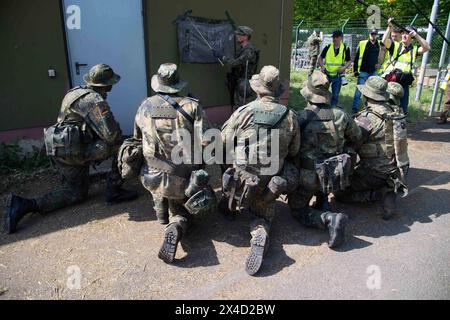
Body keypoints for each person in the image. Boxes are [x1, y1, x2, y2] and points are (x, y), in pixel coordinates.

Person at [3, 64, 138, 234]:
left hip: (61, 148)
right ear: (106, 85)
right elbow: (112, 135)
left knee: (76, 193)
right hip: (74, 151)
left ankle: (25, 205)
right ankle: (115, 191)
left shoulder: (75, 92)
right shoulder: (94, 101)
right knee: (122, 145)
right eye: (110, 84)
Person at [221, 65, 300, 275]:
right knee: (262, 215)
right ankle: (260, 230)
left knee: (230, 162)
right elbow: (295, 149)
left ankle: (230, 203)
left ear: (258, 89)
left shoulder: (244, 112)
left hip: (243, 176)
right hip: (270, 177)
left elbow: (224, 140)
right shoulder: (290, 116)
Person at [134, 63, 215, 264]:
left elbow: (137, 136)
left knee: (161, 182)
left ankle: (160, 211)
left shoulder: (145, 105)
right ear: (178, 84)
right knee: (181, 212)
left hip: (151, 174)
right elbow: (206, 139)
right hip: (183, 177)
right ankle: (176, 225)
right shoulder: (192, 106)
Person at [288, 71, 362, 249]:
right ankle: (323, 200)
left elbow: (290, 148)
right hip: (335, 175)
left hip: (308, 177)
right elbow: (357, 136)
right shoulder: (341, 115)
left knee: (298, 209)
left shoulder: (301, 117)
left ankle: (328, 219)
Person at [335, 76, 409, 220]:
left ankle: (378, 194)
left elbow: (351, 141)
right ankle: (389, 186)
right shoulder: (395, 112)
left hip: (375, 172)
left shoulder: (367, 118)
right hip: (397, 168)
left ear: (366, 95)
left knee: (339, 193)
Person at [382, 18, 430, 114]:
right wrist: (389, 26)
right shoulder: (395, 45)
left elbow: (426, 47)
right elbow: (384, 41)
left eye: (407, 33)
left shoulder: (414, 49)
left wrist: (416, 35)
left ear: (411, 36)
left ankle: (399, 127)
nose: (404, 35)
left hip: (404, 83)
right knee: (387, 107)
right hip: (392, 81)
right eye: (403, 33)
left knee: (402, 109)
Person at [214, 26, 260, 108]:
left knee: (243, 108)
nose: (237, 36)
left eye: (239, 34)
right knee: (237, 107)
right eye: (237, 34)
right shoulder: (242, 50)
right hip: (239, 81)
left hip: (246, 83)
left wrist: (222, 57)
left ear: (246, 37)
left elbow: (235, 63)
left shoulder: (249, 51)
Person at [318, 30, 352, 107]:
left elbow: (349, 61)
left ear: (341, 38)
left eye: (336, 37)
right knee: (322, 92)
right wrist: (322, 67)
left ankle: (333, 110)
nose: (334, 39)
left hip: (338, 76)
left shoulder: (345, 49)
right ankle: (321, 107)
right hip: (326, 75)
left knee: (335, 95)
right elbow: (320, 58)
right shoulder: (328, 47)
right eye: (333, 37)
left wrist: (344, 68)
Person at [352, 28, 382, 113]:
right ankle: (354, 108)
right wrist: (355, 70)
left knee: (374, 91)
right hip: (363, 71)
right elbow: (357, 57)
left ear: (377, 35)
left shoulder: (379, 44)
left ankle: (371, 108)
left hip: (374, 72)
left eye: (375, 34)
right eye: (372, 34)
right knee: (359, 90)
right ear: (369, 34)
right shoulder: (363, 43)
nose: (373, 35)